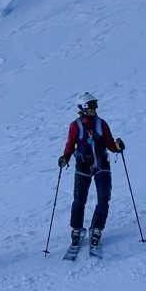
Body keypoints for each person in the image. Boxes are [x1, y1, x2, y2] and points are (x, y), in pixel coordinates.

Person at [59, 92, 122, 253]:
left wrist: (117, 147)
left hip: (101, 164)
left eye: (95, 105)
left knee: (103, 198)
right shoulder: (76, 125)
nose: (95, 108)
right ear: (83, 108)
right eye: (92, 106)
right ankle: (77, 228)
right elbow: (70, 144)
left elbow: (109, 143)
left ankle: (96, 228)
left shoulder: (102, 124)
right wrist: (65, 157)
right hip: (83, 165)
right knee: (79, 199)